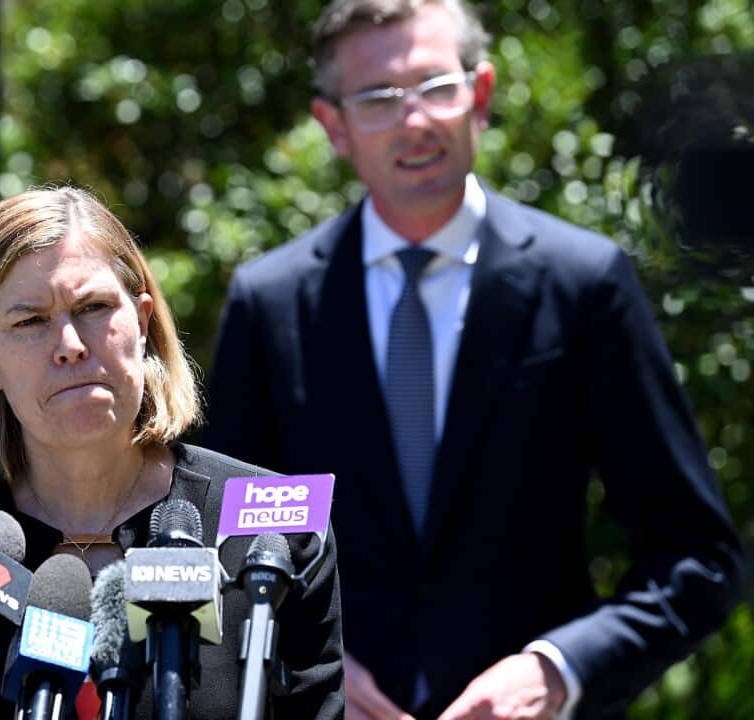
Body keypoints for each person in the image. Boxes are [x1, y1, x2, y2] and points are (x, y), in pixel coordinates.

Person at [204, 2, 743, 719]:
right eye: (378, 99)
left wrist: (556, 670)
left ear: (480, 96)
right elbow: (222, 545)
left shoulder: (583, 283)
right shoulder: (270, 305)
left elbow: (696, 558)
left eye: (436, 87)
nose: (414, 120)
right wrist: (301, 661)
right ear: (334, 126)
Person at [0, 187, 346, 719]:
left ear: (142, 321)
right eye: (29, 321)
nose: (70, 344)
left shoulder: (276, 532)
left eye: (93, 308)